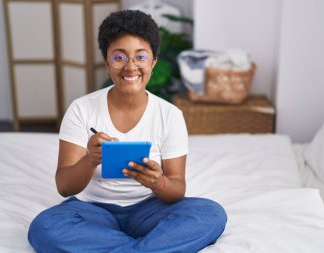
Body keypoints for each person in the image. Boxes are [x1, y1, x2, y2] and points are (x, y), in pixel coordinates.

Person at [28, 10, 227, 253]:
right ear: (106, 63)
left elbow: (176, 189)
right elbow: (65, 186)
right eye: (119, 57)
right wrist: (90, 160)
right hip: (93, 210)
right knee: (44, 228)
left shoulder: (170, 115)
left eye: (140, 57)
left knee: (210, 214)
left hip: (149, 209)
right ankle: (146, 249)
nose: (131, 67)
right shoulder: (81, 109)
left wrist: (158, 182)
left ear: (153, 62)